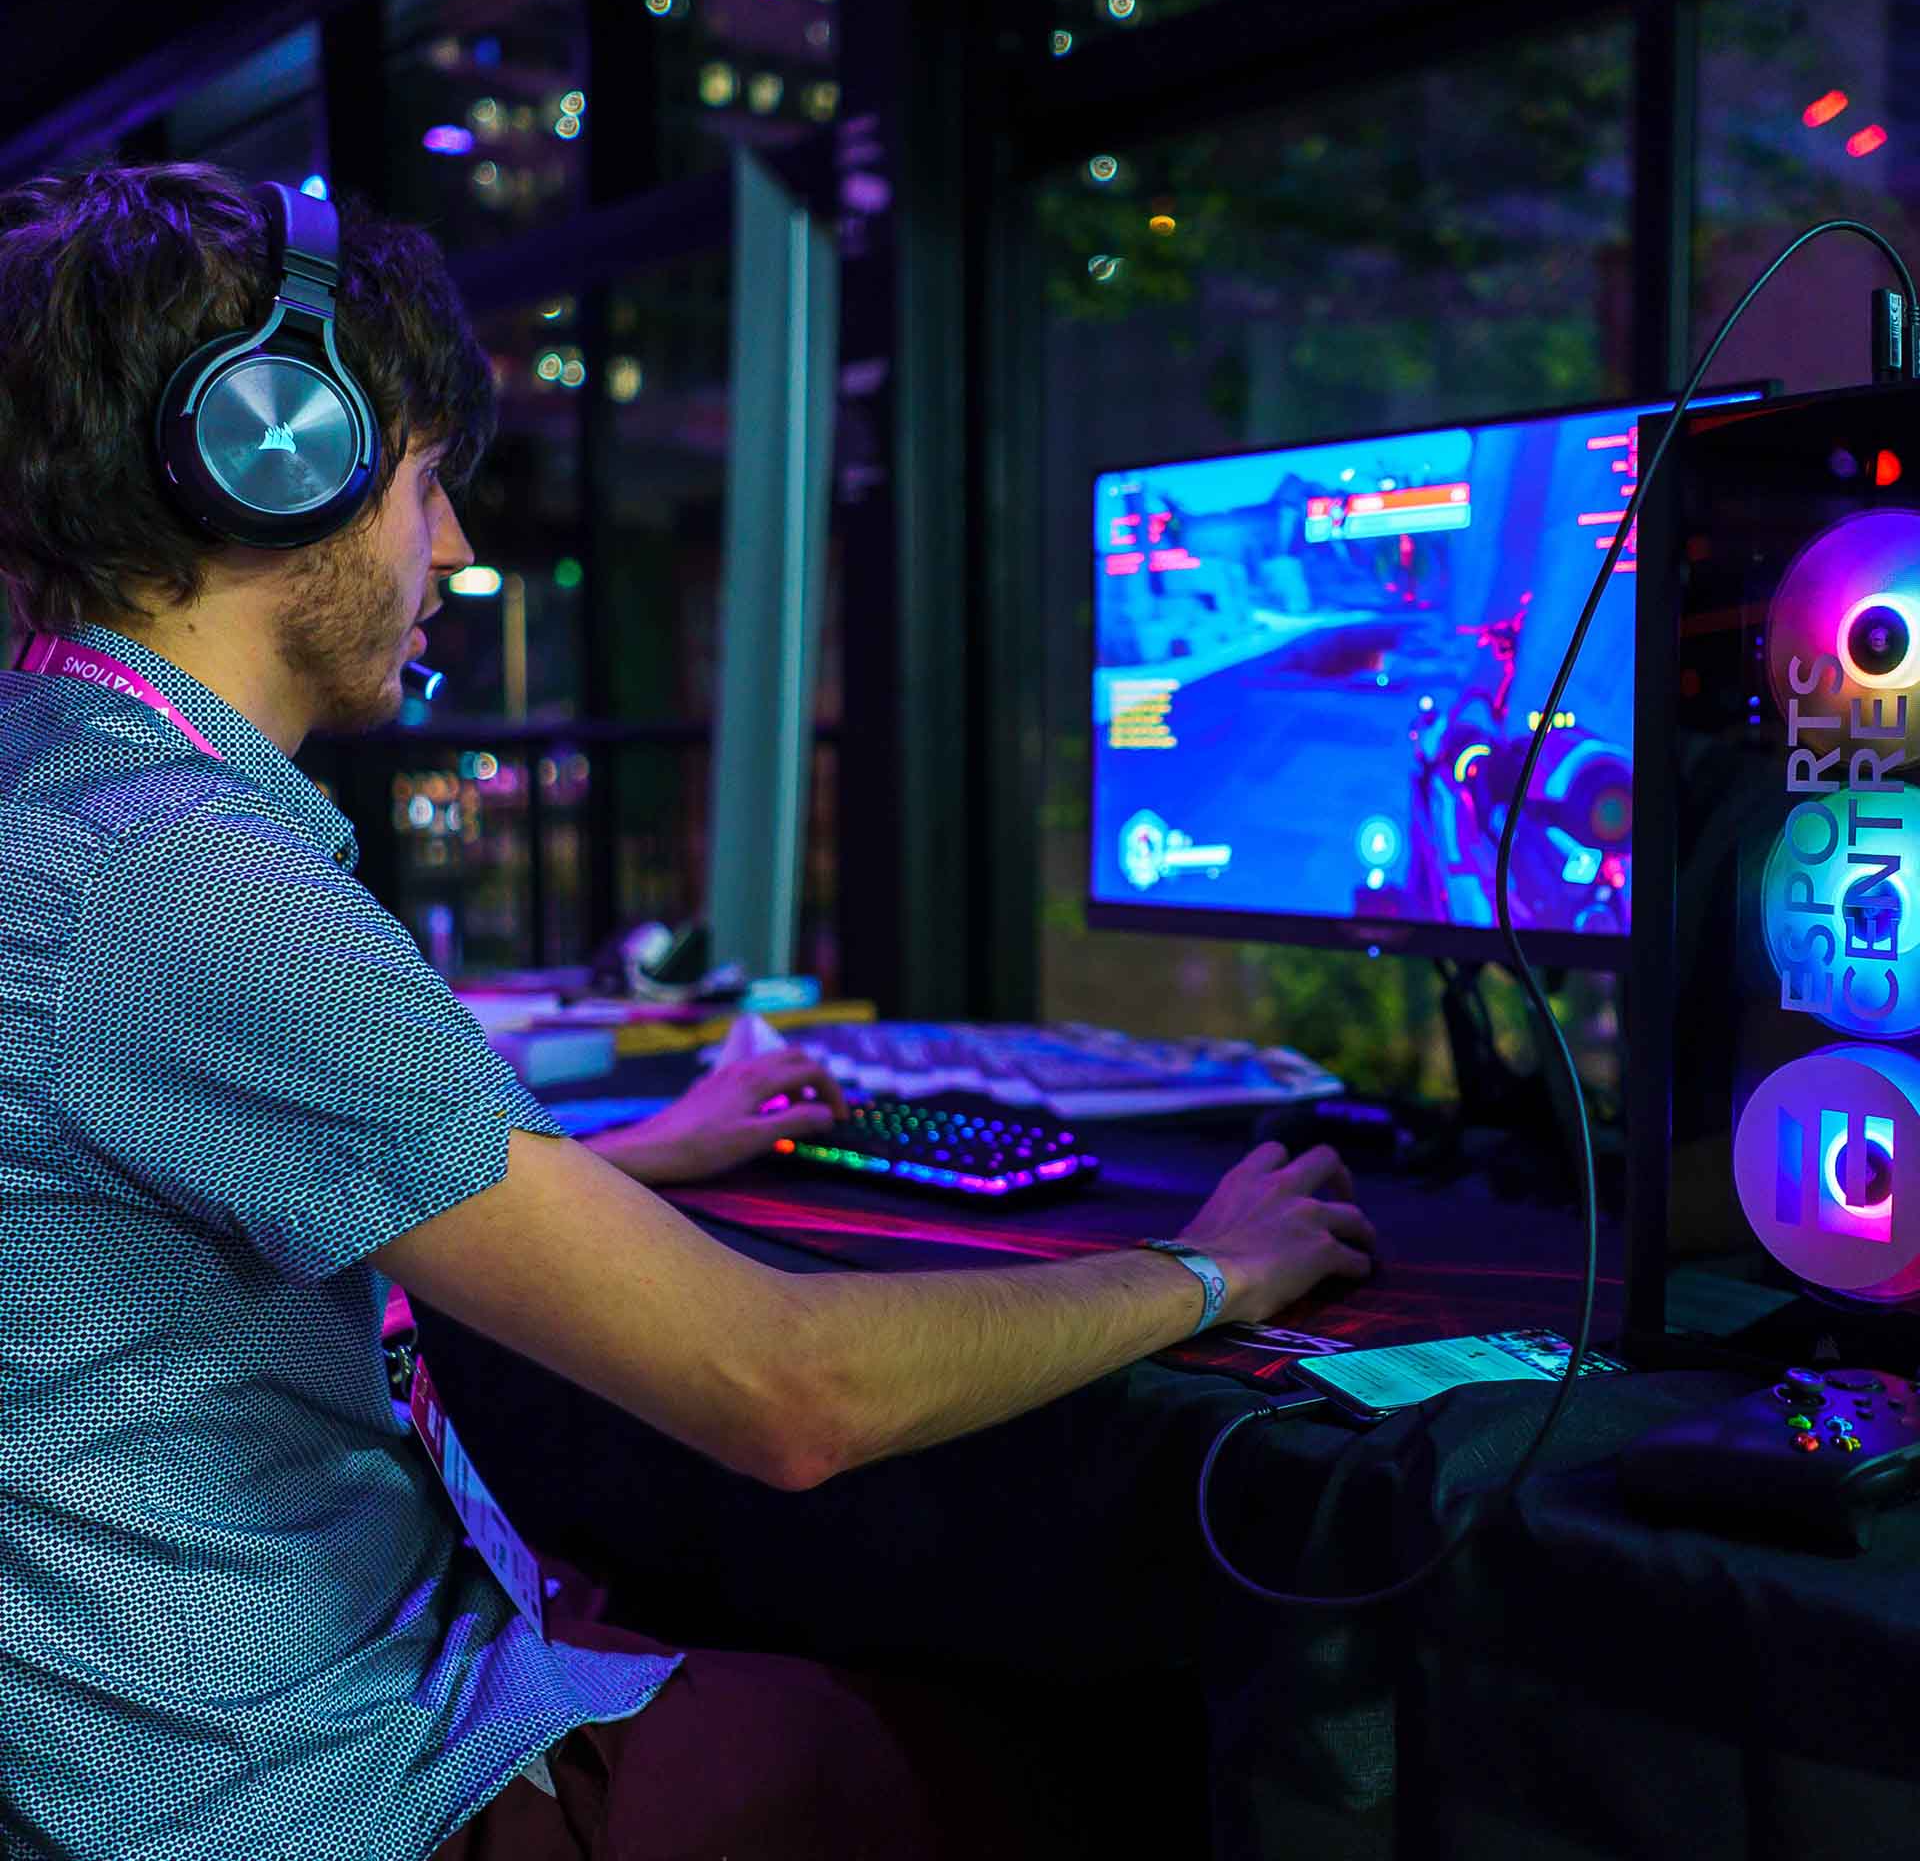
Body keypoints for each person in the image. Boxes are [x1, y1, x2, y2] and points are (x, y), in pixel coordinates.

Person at [0, 162, 1375, 1861]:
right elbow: (783, 1392)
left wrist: (634, 1156)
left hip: (219, 1742)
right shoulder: (179, 880)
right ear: (279, 456)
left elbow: (248, 1177)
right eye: (431, 484)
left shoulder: (61, 793)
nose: (457, 546)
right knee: (1115, 1761)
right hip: (326, 1800)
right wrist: (1211, 1269)